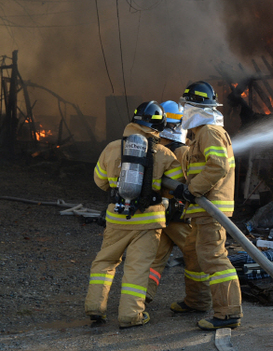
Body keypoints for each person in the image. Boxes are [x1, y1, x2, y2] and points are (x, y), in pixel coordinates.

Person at [85, 101, 185, 328]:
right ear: (159, 126)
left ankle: (95, 307)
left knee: (105, 262)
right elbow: (178, 183)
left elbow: (100, 181)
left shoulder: (111, 148)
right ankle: (131, 316)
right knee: (138, 268)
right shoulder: (164, 153)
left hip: (117, 217)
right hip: (148, 222)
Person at [169, 81, 242, 330]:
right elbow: (197, 162)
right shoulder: (199, 134)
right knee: (194, 253)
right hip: (202, 208)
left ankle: (228, 313)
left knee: (214, 258)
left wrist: (192, 189)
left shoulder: (210, 131)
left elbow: (217, 165)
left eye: (185, 105)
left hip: (212, 207)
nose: (183, 110)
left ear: (195, 107)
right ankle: (197, 301)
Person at [145, 100, 192, 304]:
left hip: (159, 213)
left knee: (155, 259)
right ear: (177, 124)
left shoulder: (154, 147)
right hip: (178, 216)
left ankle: (141, 297)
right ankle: (200, 298)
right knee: (196, 254)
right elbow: (187, 183)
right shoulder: (181, 151)